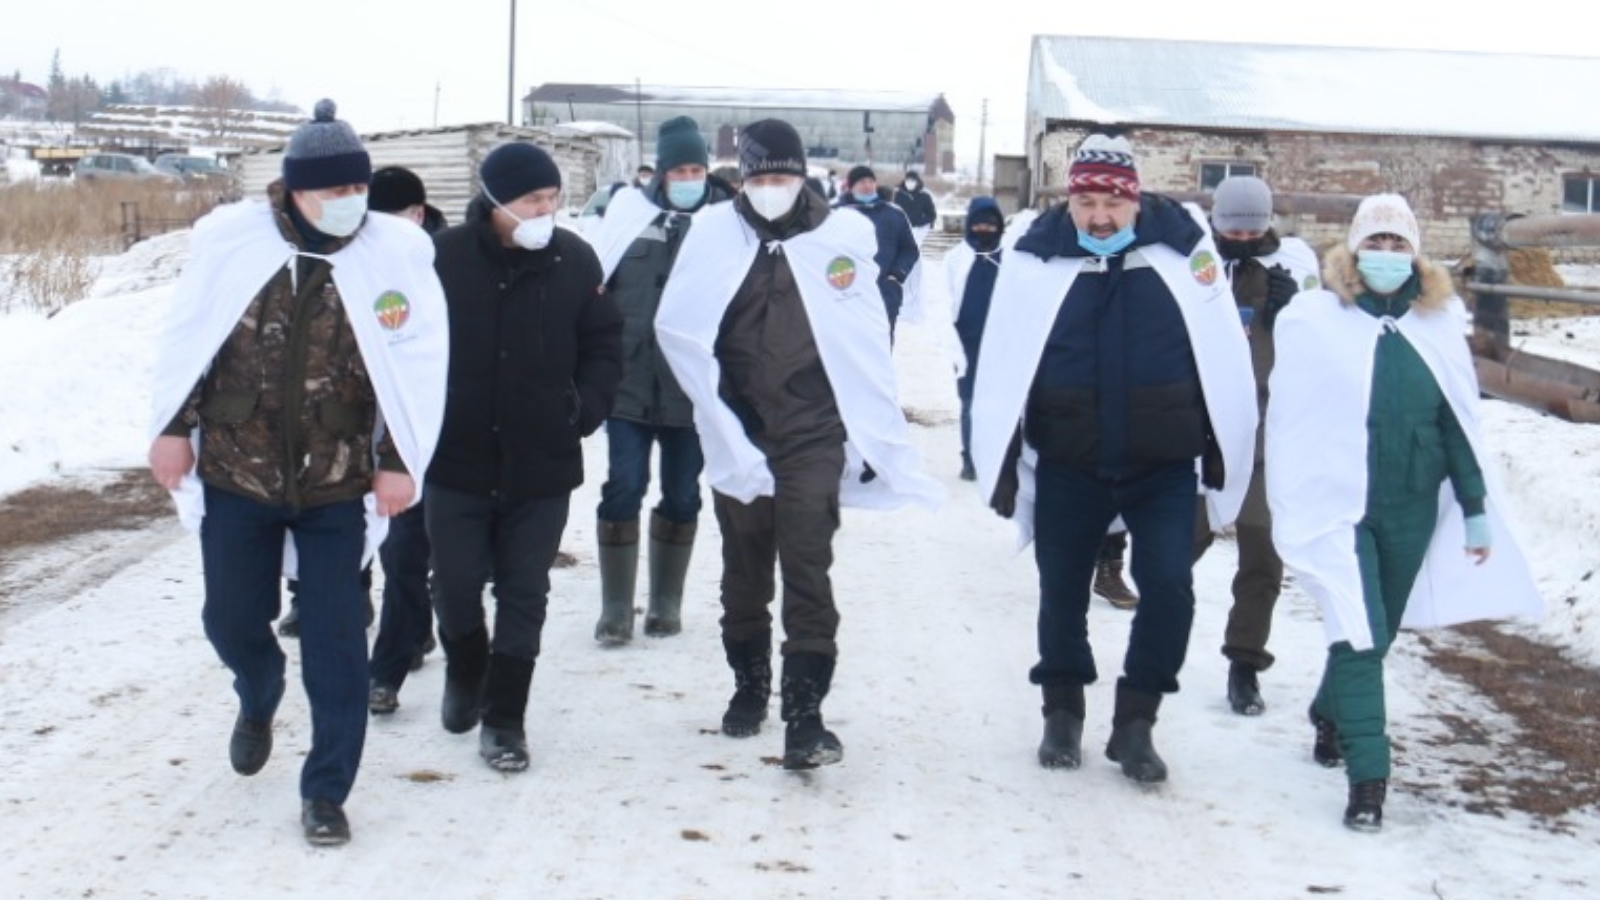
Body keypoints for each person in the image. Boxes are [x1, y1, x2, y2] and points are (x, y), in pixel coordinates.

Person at [146, 100, 448, 846]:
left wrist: (399, 461)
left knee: (338, 645)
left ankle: (326, 792)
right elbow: (194, 338)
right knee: (230, 619)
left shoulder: (391, 257)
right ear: (292, 191)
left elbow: (414, 367)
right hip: (236, 472)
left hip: (337, 483)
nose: (350, 204)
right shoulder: (235, 249)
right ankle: (259, 690)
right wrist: (172, 427)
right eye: (333, 192)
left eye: (358, 190)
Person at [655, 119, 943, 770]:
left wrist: (872, 427)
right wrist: (717, 411)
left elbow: (865, 335)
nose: (771, 189)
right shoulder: (714, 237)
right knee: (745, 567)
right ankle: (749, 686)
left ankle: (805, 715)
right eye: (759, 178)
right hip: (740, 428)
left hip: (814, 429)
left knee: (808, 564)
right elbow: (679, 326)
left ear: (802, 174)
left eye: (782, 177)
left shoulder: (840, 237)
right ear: (745, 178)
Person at [971, 133, 1257, 784]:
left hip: (1162, 464)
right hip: (1070, 459)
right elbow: (1007, 361)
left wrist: (1220, 448)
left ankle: (1137, 721)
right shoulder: (1037, 258)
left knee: (1170, 589)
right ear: (1069, 200)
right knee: (1061, 592)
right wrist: (1006, 452)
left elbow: (1220, 358)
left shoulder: (1182, 255)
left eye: (1112, 203)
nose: (1099, 216)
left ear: (1134, 201)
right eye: (1086, 202)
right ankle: (1062, 710)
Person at [1266, 193, 1540, 831]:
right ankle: (1370, 779)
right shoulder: (1316, 319)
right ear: (1355, 250)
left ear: (1414, 253)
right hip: (1340, 506)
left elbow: (1455, 424)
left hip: (1411, 504)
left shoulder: (1438, 324)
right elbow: (1293, 414)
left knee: (1377, 633)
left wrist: (1474, 508)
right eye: (1376, 243)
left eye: (1398, 244)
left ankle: (1329, 714)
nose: (1387, 255)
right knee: (1360, 633)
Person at [426, 141, 623, 772]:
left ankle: (505, 719)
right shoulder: (444, 260)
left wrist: (584, 406)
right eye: (530, 200)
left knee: (524, 590)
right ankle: (465, 664)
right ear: (493, 202)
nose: (545, 210)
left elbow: (604, 341)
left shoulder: (575, 259)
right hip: (455, 458)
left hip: (541, 460)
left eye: (552, 198)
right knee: (454, 583)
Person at [587, 116, 736, 645]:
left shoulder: (725, 225)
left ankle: (666, 601)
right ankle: (615, 607)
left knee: (682, 493)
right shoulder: (631, 217)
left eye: (697, 168)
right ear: (664, 172)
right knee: (623, 485)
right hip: (628, 384)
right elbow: (596, 286)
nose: (689, 177)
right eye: (680, 169)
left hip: (690, 393)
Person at [1191, 175, 1320, 717]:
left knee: (1262, 559)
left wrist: (1298, 315)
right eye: (1231, 226)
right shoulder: (1197, 267)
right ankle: (1156, 640)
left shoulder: (1294, 269)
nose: (1242, 235)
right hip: (1206, 433)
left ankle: (1244, 663)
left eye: (1253, 225)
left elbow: (1319, 353)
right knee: (1177, 547)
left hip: (1270, 435)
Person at [363, 165, 449, 716]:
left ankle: (410, 636)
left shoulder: (449, 264)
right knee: (398, 551)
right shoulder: (360, 266)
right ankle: (389, 668)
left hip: (443, 430)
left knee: (418, 554)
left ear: (417, 216)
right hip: (383, 434)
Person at [942, 195, 1005, 481]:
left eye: (990, 225)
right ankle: (970, 459)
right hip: (966, 343)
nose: (984, 229)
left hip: (1001, 343)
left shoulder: (1010, 257)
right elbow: (944, 301)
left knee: (1000, 404)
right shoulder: (956, 257)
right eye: (978, 224)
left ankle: (998, 457)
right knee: (970, 404)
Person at [834, 165, 920, 341]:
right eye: (861, 182)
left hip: (885, 293)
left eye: (870, 181)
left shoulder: (894, 214)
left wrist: (896, 275)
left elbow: (909, 249)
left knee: (881, 353)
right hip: (846, 295)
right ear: (851, 187)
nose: (867, 185)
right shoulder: (836, 214)